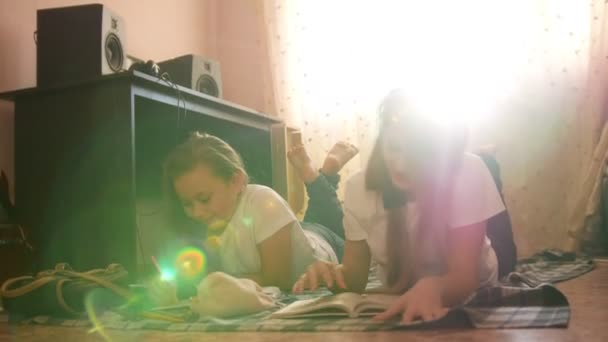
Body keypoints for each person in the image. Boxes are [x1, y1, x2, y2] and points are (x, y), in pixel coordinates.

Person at [292, 89, 508, 324]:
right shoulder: (359, 187)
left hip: (477, 275)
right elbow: (354, 277)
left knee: (506, 248)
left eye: (418, 152)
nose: (402, 164)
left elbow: (464, 278)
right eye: (394, 148)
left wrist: (434, 288)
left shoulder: (465, 171)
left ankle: (489, 161)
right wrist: (333, 275)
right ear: (381, 143)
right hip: (405, 281)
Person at [162, 132, 358, 290]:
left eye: (204, 199)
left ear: (236, 181)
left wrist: (207, 284)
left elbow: (277, 280)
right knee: (315, 215)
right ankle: (325, 175)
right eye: (187, 204)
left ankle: (324, 172)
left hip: (325, 243)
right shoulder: (213, 220)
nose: (196, 212)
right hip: (295, 232)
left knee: (337, 224)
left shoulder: (263, 200)